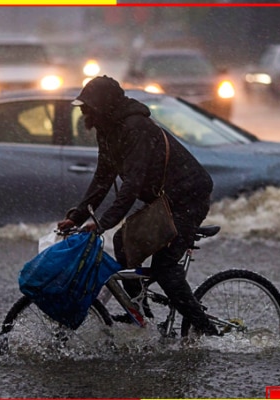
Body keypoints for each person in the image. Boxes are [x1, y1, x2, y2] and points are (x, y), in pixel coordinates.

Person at [56, 76, 220, 336]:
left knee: (165, 268)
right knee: (123, 244)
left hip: (189, 197)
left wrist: (101, 224)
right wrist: (76, 217)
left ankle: (207, 330)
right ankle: (142, 316)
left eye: (88, 107)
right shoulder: (107, 129)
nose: (84, 113)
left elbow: (132, 184)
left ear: (105, 106)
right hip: (164, 200)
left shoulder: (136, 128)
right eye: (82, 107)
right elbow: (102, 178)